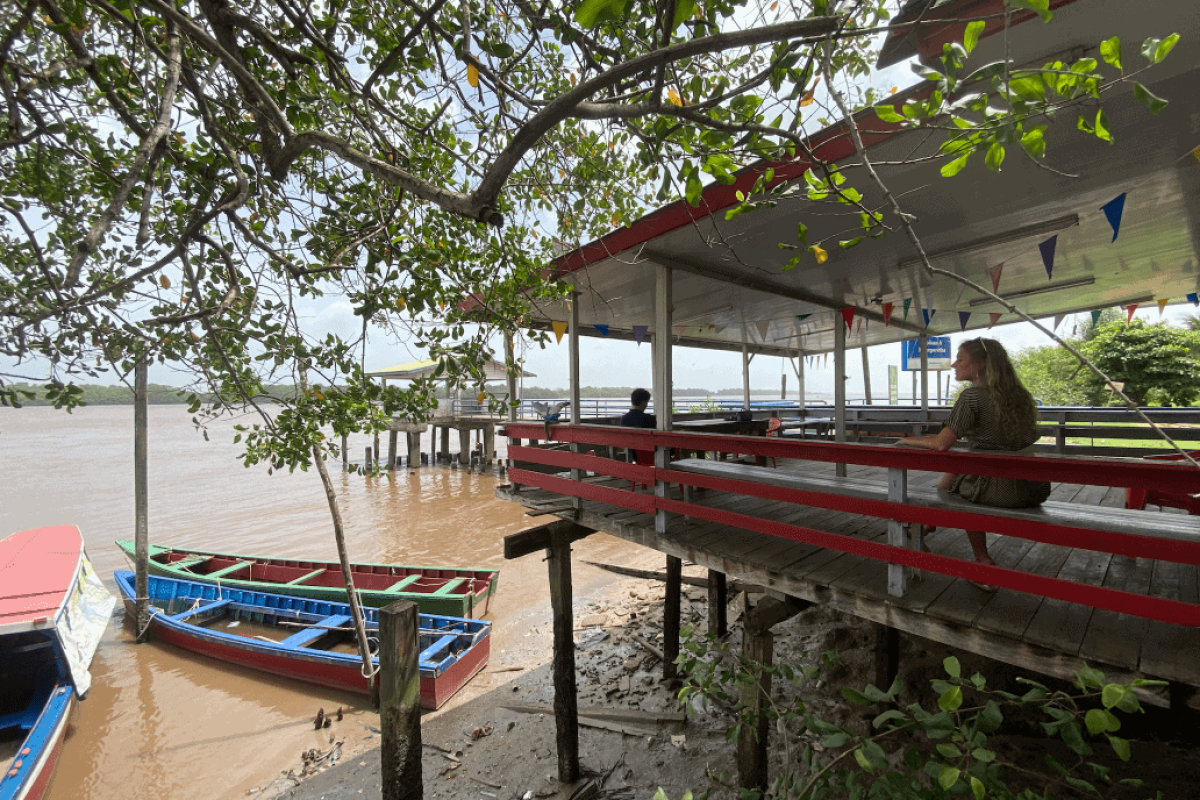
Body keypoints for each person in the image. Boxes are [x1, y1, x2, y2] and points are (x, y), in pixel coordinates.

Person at [897, 338, 1050, 591]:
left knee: (958, 491)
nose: (954, 364)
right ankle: (924, 526)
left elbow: (941, 444)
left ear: (980, 364)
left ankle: (982, 559)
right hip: (1032, 486)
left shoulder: (972, 397)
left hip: (999, 490)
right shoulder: (1020, 396)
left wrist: (905, 440)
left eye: (961, 359)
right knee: (953, 475)